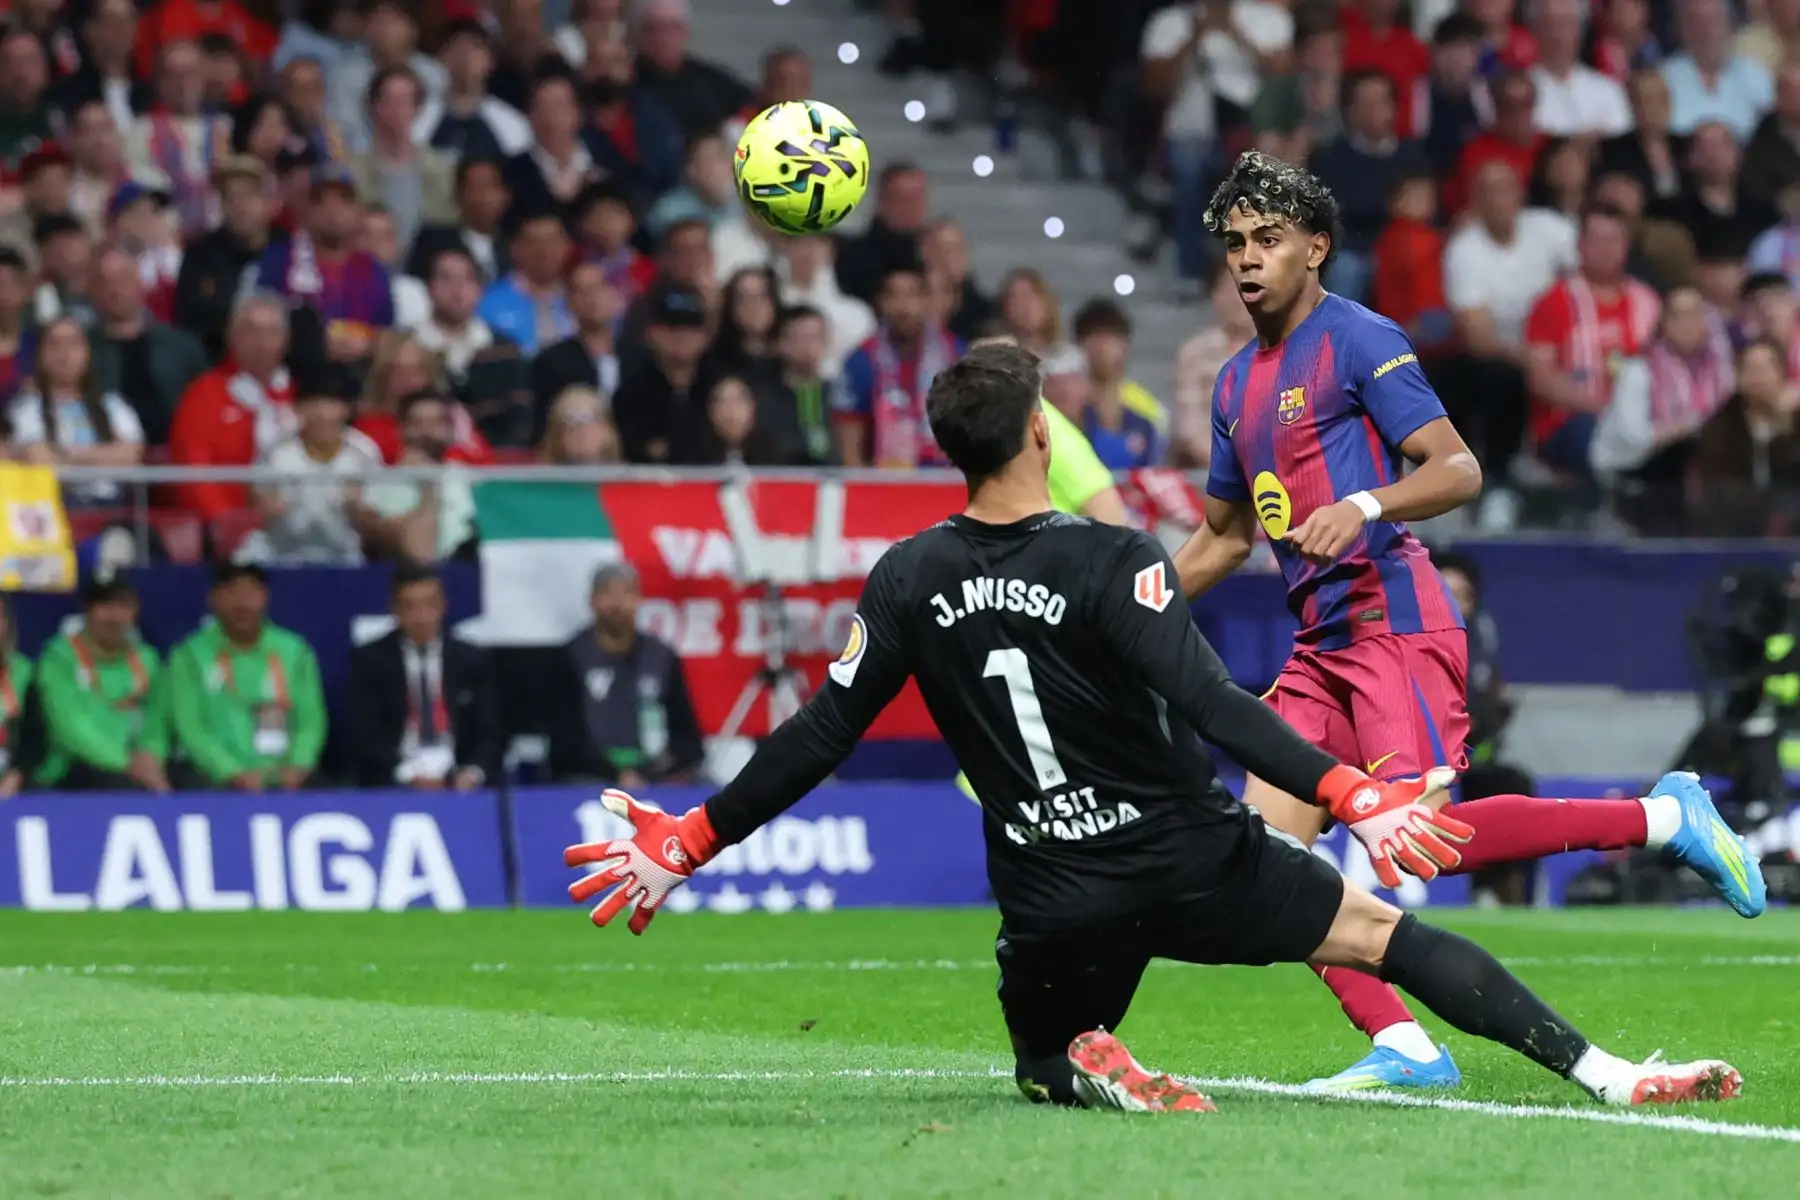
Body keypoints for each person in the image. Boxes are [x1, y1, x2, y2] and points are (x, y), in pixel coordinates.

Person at [568, 340, 1744, 1114]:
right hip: (1186, 859)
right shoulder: (1112, 559)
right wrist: (1350, 792)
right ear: (1041, 438)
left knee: (1038, 1057)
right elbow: (1214, 704)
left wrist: (692, 838)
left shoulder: (908, 576)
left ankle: (1086, 1062)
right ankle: (1604, 1072)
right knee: (1387, 935)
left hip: (1051, 895)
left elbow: (823, 732)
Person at [1170, 150, 1765, 1093]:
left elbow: (1458, 468)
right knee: (1263, 862)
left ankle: (1662, 816)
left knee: (1421, 841)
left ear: (1315, 248)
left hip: (1393, 622)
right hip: (1321, 646)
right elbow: (1221, 536)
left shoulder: (1358, 337)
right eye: (1236, 242)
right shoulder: (1236, 382)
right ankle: (1404, 1044)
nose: (1247, 258)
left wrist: (1363, 504)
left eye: (1268, 239)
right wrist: (1119, 605)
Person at [167, 562, 328, 792]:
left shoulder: (295, 651)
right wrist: (231, 772)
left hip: (286, 777)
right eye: (231, 592)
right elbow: (190, 728)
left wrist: (298, 765)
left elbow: (311, 719)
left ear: (266, 598)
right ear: (212, 599)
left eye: (251, 593)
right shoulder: (189, 656)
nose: (242, 603)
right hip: (216, 779)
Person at [347, 564, 500, 789]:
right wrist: (407, 774)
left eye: (430, 605)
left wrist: (472, 772)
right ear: (394, 609)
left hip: (459, 776)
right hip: (395, 779)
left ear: (443, 605)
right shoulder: (370, 660)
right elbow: (364, 734)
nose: (421, 617)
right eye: (409, 607)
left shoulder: (471, 659)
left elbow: (489, 731)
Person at [34, 574, 170, 792]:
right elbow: (70, 730)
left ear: (135, 611)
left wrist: (151, 756)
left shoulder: (147, 660)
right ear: (86, 611)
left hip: (138, 766)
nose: (114, 616)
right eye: (105, 605)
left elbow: (157, 721)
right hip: (75, 766)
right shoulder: (59, 658)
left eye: (123, 606)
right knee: (121, 788)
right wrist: (126, 764)